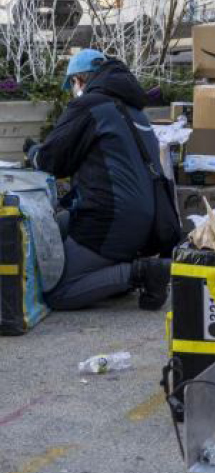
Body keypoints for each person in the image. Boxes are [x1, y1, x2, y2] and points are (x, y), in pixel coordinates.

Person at [28, 49, 172, 311]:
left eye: (72, 83)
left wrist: (32, 151)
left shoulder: (89, 105)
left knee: (56, 290)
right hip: (144, 221)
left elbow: (51, 161)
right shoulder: (133, 110)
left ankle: (140, 274)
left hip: (110, 220)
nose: (73, 90)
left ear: (80, 80)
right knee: (49, 228)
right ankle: (115, 275)